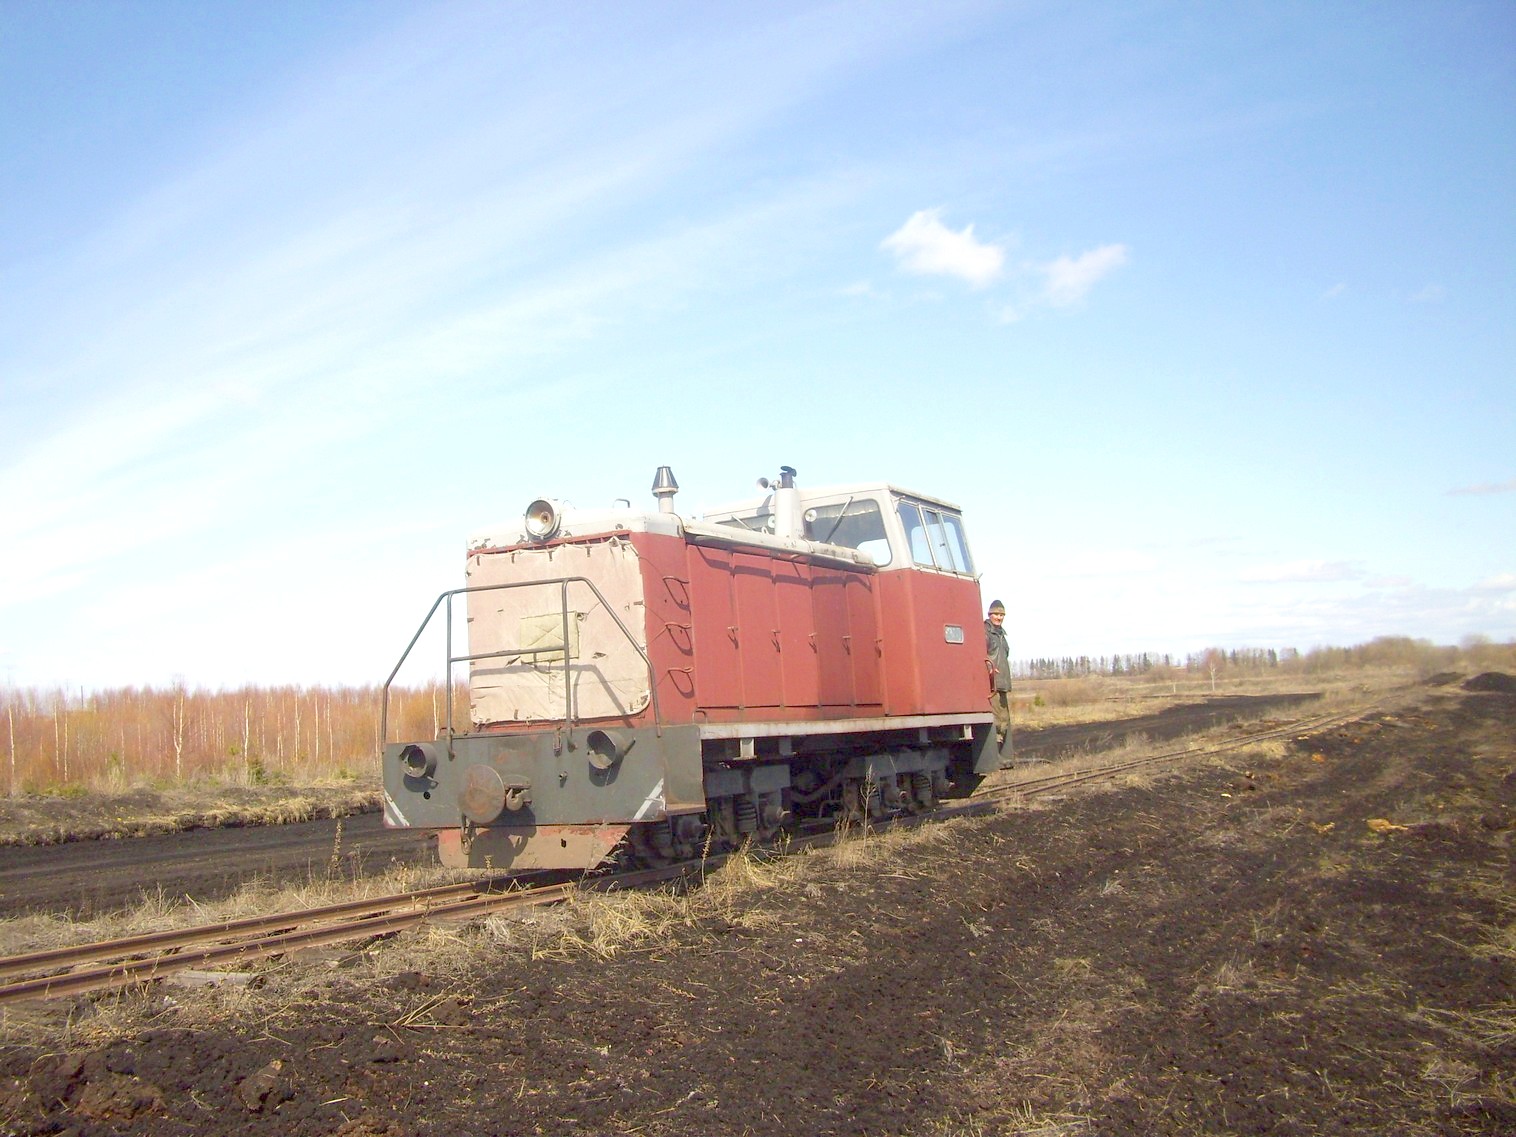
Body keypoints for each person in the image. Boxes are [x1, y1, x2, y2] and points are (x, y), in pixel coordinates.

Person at [984, 599, 1013, 764]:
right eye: (996, 614)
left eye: (1001, 614)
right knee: (996, 720)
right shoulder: (985, 632)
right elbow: (980, 654)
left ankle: (999, 755)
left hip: (1002, 683)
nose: (999, 617)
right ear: (989, 614)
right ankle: (994, 756)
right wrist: (988, 668)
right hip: (992, 683)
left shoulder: (1002, 634)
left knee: (1004, 721)